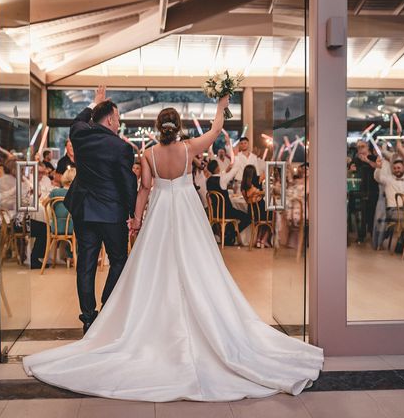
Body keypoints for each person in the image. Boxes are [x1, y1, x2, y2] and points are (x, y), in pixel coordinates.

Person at [23, 96, 323, 402]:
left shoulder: (148, 154)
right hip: (187, 214)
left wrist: (137, 220)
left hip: (159, 214)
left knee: (153, 268)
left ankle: (116, 321)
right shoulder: (189, 148)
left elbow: (143, 189)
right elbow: (217, 130)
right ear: (178, 128)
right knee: (199, 266)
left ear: (157, 127)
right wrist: (221, 106)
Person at [62, 88, 137, 334]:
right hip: (111, 213)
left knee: (86, 264)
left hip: (84, 211)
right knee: (119, 260)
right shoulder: (121, 148)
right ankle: (107, 308)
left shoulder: (80, 135)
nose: (118, 122)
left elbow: (78, 120)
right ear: (109, 120)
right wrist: (132, 213)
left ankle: (87, 317)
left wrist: (95, 103)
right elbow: (128, 184)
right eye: (117, 118)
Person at [206, 159, 250, 245]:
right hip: (226, 212)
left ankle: (228, 233)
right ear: (217, 168)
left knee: (234, 214)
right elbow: (235, 170)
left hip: (215, 212)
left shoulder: (208, 181)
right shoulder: (222, 179)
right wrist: (235, 158)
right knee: (248, 217)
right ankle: (231, 235)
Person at [352, 140, 379, 244]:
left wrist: (367, 161)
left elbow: (377, 167)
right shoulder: (356, 159)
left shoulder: (374, 157)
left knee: (372, 213)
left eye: (362, 146)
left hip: (373, 188)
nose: (360, 149)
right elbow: (352, 169)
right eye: (358, 147)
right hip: (361, 189)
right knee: (360, 213)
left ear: (367, 147)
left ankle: (373, 235)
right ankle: (361, 236)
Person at [29, 162, 55, 269]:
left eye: (43, 172)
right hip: (30, 213)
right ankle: (36, 257)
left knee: (47, 227)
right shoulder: (28, 180)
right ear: (32, 171)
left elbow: (49, 193)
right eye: (38, 172)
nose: (41, 175)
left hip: (44, 205)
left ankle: (41, 257)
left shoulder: (46, 180)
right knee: (44, 228)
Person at [241, 164, 272, 248]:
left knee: (262, 220)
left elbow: (247, 201)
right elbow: (267, 173)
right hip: (260, 211)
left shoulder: (243, 186)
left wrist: (255, 197)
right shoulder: (257, 180)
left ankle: (258, 240)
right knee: (273, 217)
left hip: (251, 213)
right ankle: (263, 240)